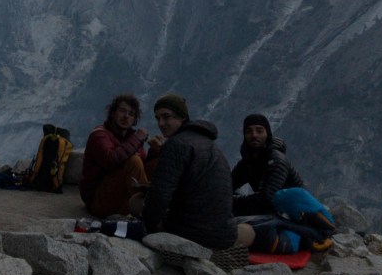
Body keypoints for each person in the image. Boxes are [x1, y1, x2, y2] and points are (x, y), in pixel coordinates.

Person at [141, 94, 254, 250]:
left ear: (182, 117)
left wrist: (145, 227)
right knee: (248, 230)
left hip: (191, 233)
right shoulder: (211, 145)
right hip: (223, 234)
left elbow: (159, 196)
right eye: (157, 118)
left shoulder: (175, 144)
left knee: (136, 202)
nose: (161, 123)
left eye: (166, 117)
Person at [79, 94, 150, 217]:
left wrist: (156, 152)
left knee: (158, 162)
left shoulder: (130, 138)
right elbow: (110, 159)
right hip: (98, 200)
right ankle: (147, 211)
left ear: (134, 120)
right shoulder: (99, 135)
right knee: (134, 161)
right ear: (112, 113)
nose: (126, 116)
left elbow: (143, 166)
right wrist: (137, 139)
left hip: (121, 195)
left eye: (131, 114)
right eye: (122, 111)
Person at [231, 113, 305, 216]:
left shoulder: (276, 160)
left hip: (297, 215)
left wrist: (231, 201)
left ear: (267, 134)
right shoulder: (247, 163)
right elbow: (226, 185)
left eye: (259, 131)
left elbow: (265, 200)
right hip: (273, 213)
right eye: (249, 131)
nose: (254, 135)